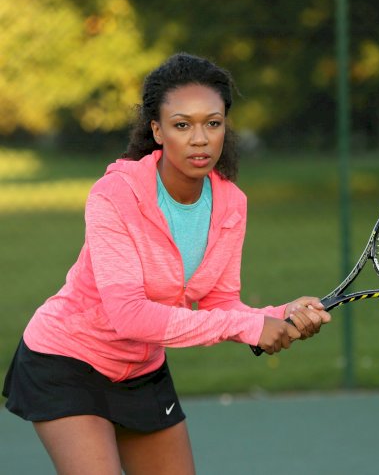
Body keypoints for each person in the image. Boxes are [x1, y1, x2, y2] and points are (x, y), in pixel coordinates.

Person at [2, 52, 331, 474]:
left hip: (141, 370)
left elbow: (219, 303)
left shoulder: (231, 203)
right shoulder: (114, 195)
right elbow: (130, 315)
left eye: (213, 123)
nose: (200, 139)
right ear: (156, 130)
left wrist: (277, 314)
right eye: (182, 125)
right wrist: (250, 327)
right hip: (66, 361)